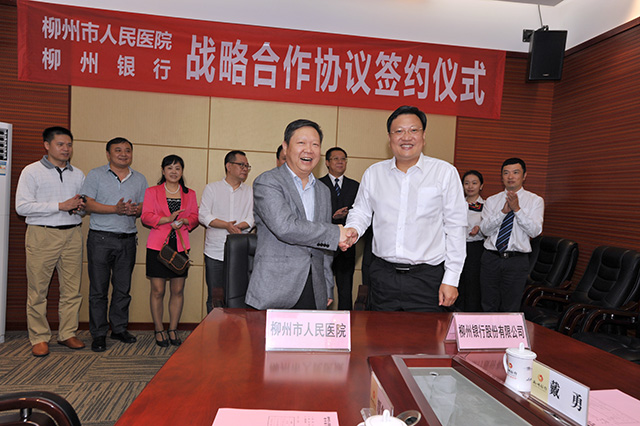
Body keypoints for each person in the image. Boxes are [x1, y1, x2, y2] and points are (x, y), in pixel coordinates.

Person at [343, 105, 467, 312]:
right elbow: (361, 211)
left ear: (423, 136)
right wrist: (353, 229)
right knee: (381, 331)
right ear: (389, 137)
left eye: (413, 130)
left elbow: (456, 228)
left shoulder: (444, 173)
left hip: (427, 279)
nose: (406, 137)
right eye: (399, 131)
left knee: (426, 333)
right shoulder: (374, 173)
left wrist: (451, 279)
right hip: (383, 276)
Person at [245, 119, 349, 310]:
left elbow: (324, 247)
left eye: (315, 144)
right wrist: (336, 233)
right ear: (285, 147)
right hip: (275, 288)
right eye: (301, 143)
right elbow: (285, 227)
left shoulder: (323, 190)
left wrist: (327, 284)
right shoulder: (268, 182)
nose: (309, 150)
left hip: (314, 288)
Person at [15, 126, 86, 357]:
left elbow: (81, 207)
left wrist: (79, 208)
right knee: (38, 290)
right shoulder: (31, 171)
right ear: (47, 145)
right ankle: (39, 337)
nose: (66, 149)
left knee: (72, 290)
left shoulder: (78, 174)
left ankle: (67, 333)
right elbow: (22, 207)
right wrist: (59, 206)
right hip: (42, 234)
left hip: (73, 234)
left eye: (69, 145)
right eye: (60, 144)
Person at [81, 137, 148, 352]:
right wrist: (115, 209)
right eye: (118, 150)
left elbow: (144, 207)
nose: (123, 154)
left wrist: (135, 210)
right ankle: (99, 334)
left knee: (122, 289)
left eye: (127, 150)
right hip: (100, 239)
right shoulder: (95, 174)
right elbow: (87, 204)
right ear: (108, 154)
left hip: (127, 240)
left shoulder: (140, 178)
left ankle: (119, 328)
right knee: (98, 290)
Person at [141, 155, 199, 347]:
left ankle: (173, 329)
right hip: (157, 246)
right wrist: (168, 219)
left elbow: (195, 217)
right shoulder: (152, 191)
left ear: (182, 171)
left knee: (178, 290)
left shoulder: (189, 193)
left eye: (178, 168)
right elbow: (146, 216)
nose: (174, 172)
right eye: (170, 168)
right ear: (163, 170)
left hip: (180, 245)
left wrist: (184, 221)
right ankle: (159, 329)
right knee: (157, 290)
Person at [480, 158, 544, 312]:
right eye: (506, 173)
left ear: (524, 176)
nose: (510, 177)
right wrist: (503, 213)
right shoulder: (491, 200)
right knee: (488, 304)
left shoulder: (535, 201)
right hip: (491, 258)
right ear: (501, 176)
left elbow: (535, 231)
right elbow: (485, 230)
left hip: (516, 261)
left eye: (515, 172)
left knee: (511, 307)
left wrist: (517, 209)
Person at [199, 150, 254, 313]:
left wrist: (239, 227)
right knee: (216, 297)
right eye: (241, 165)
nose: (245, 169)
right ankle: (214, 328)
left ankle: (234, 329)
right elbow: (203, 215)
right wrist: (226, 225)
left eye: (247, 166)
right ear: (229, 166)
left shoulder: (250, 191)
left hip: (240, 253)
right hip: (215, 252)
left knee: (238, 296)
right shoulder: (212, 188)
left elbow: (253, 217)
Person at [319, 147, 359, 310]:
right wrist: (332, 217)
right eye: (336, 159)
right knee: (321, 288)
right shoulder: (318, 185)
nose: (340, 162)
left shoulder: (355, 186)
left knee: (345, 289)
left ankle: (346, 321)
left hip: (347, 246)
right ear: (327, 162)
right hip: (323, 245)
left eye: (343, 159)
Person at [456, 170, 485, 312]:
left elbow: (490, 226)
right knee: (458, 281)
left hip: (475, 248)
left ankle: (472, 315)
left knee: (473, 283)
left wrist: (481, 228)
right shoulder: (456, 204)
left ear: (481, 186)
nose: (470, 186)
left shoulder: (487, 206)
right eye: (466, 183)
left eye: (474, 183)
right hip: (457, 246)